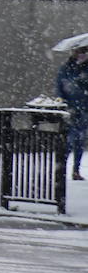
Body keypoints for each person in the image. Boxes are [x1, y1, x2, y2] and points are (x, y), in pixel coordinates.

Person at [56, 45, 88, 180]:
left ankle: (75, 170)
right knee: (69, 140)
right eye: (79, 51)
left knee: (79, 140)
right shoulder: (66, 68)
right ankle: (61, 168)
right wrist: (62, 101)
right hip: (70, 108)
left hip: (85, 108)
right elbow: (60, 86)